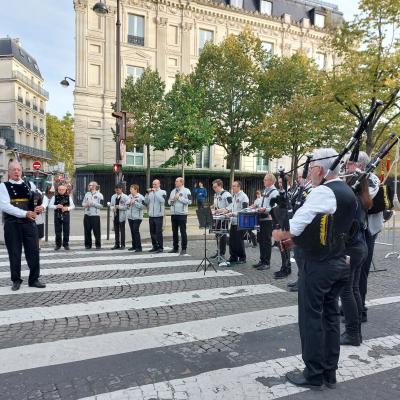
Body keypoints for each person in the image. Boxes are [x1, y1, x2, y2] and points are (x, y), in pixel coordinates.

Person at [273, 148, 357, 390]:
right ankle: (329, 372)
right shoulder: (347, 191)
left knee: (311, 318)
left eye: (311, 170)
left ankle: (313, 374)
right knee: (330, 318)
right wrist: (299, 240)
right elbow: (328, 230)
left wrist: (279, 233)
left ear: (319, 170)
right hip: (339, 263)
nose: (309, 174)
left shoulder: (323, 191)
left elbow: (296, 226)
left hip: (318, 266)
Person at [340, 155, 371, 346]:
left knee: (347, 290)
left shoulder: (353, 201)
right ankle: (356, 331)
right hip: (360, 248)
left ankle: (352, 333)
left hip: (352, 249)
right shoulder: (362, 199)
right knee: (354, 289)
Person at [0, 161, 46, 290]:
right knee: (14, 253)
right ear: (8, 172)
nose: (16, 172)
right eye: (13, 170)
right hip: (12, 224)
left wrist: (41, 206)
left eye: (18, 170)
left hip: (29, 223)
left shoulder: (29, 184)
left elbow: (43, 198)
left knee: (34, 251)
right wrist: (25, 213)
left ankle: (34, 279)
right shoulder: (3, 186)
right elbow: (5, 206)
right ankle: (16, 280)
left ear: (21, 171)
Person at [356, 152, 384, 323]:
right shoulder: (356, 177)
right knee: (352, 270)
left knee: (362, 270)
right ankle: (351, 305)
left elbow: (364, 199)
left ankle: (361, 309)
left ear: (361, 164)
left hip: (368, 230)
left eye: (351, 163)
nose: (347, 166)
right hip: (358, 229)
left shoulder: (372, 178)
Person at [252, 173, 279, 271]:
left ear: (271, 181)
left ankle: (267, 262)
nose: (264, 181)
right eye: (264, 180)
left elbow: (274, 206)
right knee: (261, 240)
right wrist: (256, 205)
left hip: (268, 219)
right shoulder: (266, 191)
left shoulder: (274, 192)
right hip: (261, 218)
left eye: (265, 180)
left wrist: (265, 209)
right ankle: (262, 260)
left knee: (267, 241)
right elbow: (261, 202)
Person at [211, 179, 233, 265]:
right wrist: (213, 207)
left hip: (224, 218)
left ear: (220, 186)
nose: (214, 188)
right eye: (213, 187)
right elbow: (216, 205)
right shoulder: (216, 194)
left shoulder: (226, 194)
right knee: (217, 235)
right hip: (217, 217)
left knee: (222, 235)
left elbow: (231, 205)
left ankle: (222, 253)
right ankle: (218, 251)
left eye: (215, 187)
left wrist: (225, 210)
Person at [168, 177, 192, 255]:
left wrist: (179, 198)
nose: (175, 182)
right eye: (175, 181)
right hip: (174, 214)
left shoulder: (186, 190)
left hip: (182, 214)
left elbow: (190, 201)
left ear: (182, 182)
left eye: (177, 181)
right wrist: (172, 201)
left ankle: (184, 248)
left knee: (182, 232)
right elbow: (169, 201)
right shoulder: (173, 191)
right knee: (174, 232)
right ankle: (175, 248)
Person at [227, 181, 249, 264]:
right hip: (233, 221)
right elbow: (232, 207)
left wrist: (233, 214)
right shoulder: (234, 196)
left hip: (240, 222)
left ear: (239, 187)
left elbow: (245, 210)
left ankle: (242, 257)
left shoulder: (244, 197)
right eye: (232, 186)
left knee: (239, 241)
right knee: (232, 240)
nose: (232, 188)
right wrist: (227, 211)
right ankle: (233, 256)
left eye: (234, 186)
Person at [48, 184, 75, 250]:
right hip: (57, 215)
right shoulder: (54, 197)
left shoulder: (69, 197)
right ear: (58, 190)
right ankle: (58, 245)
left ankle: (66, 244)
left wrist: (67, 208)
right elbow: (49, 205)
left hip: (66, 215)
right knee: (57, 231)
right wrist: (56, 206)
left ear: (65, 190)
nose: (61, 191)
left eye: (63, 189)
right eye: (60, 189)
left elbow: (73, 206)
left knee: (66, 230)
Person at [145, 179, 167, 253]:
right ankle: (154, 246)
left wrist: (155, 192)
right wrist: (147, 194)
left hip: (159, 215)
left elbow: (162, 201)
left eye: (155, 184)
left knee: (158, 232)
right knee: (152, 232)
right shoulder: (150, 193)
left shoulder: (163, 192)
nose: (154, 186)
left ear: (159, 184)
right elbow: (146, 202)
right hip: (151, 215)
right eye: (153, 184)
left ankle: (160, 247)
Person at [82, 181, 103, 249]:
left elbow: (101, 206)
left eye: (89, 185)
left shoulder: (100, 195)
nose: (88, 186)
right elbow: (83, 204)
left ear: (94, 186)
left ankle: (98, 245)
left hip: (95, 216)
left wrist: (93, 203)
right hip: (87, 215)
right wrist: (86, 204)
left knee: (96, 231)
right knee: (87, 231)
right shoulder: (87, 194)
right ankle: (88, 245)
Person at [126, 184, 145, 252]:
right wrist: (128, 203)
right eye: (130, 189)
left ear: (136, 190)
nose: (130, 190)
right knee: (132, 231)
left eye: (132, 189)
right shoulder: (129, 196)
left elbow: (143, 206)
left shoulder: (140, 197)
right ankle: (134, 246)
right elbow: (127, 205)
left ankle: (139, 247)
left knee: (135, 231)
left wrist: (135, 203)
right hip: (130, 217)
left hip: (137, 217)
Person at [110, 183, 129, 249]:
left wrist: (119, 207)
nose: (117, 191)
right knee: (116, 231)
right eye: (116, 190)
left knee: (122, 230)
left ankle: (123, 245)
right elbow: (111, 205)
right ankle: (116, 244)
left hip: (122, 216)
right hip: (115, 215)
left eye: (118, 190)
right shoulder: (113, 196)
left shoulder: (125, 197)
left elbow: (127, 207)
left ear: (121, 189)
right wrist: (113, 208)